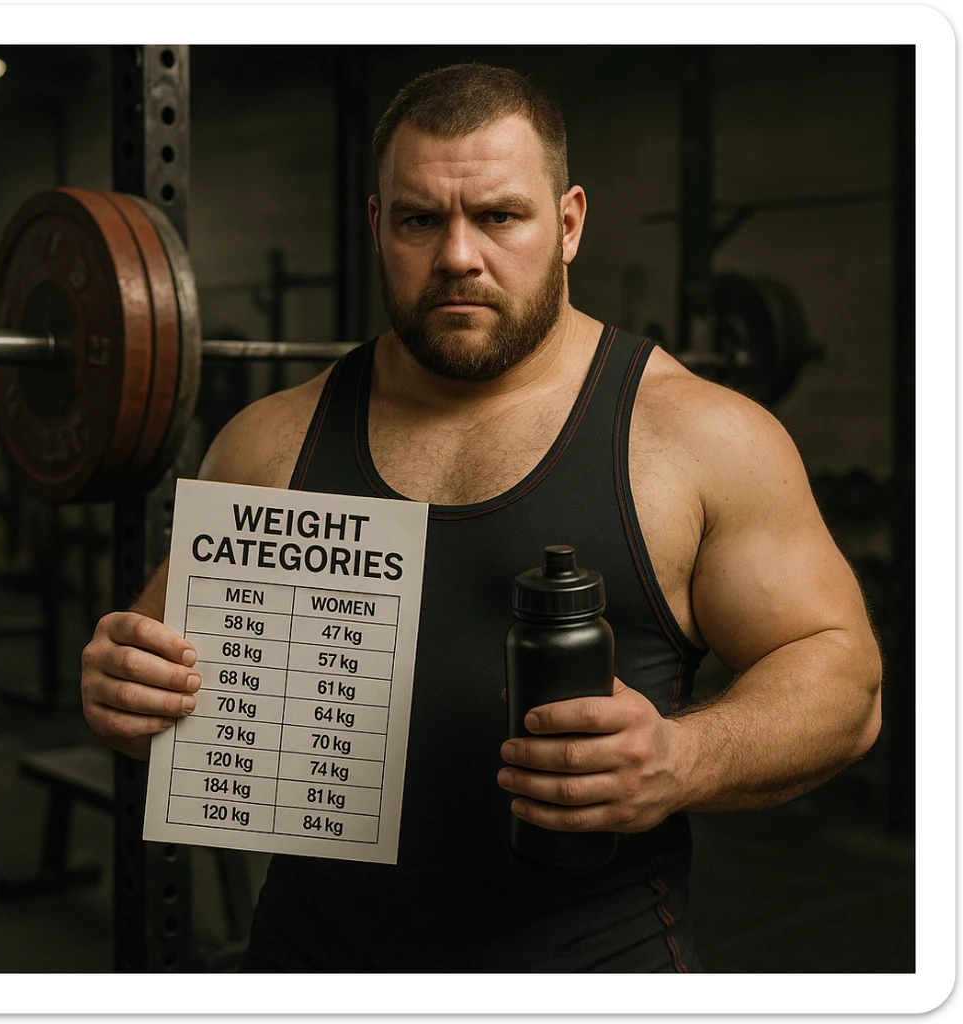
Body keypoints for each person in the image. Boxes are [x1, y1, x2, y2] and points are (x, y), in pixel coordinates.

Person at [80, 63, 883, 972]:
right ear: (380, 226)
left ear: (570, 223)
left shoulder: (701, 437)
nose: (458, 254)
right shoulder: (268, 444)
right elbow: (159, 664)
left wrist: (683, 759)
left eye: (500, 216)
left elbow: (842, 681)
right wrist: (125, 687)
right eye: (421, 219)